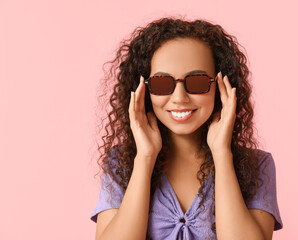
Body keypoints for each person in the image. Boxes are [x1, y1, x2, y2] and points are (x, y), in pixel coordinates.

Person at [90, 17, 283, 240]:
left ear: (222, 87)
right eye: (163, 84)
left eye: (197, 82)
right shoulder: (119, 163)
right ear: (143, 89)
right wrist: (145, 157)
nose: (179, 98)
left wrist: (221, 153)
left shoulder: (258, 166)